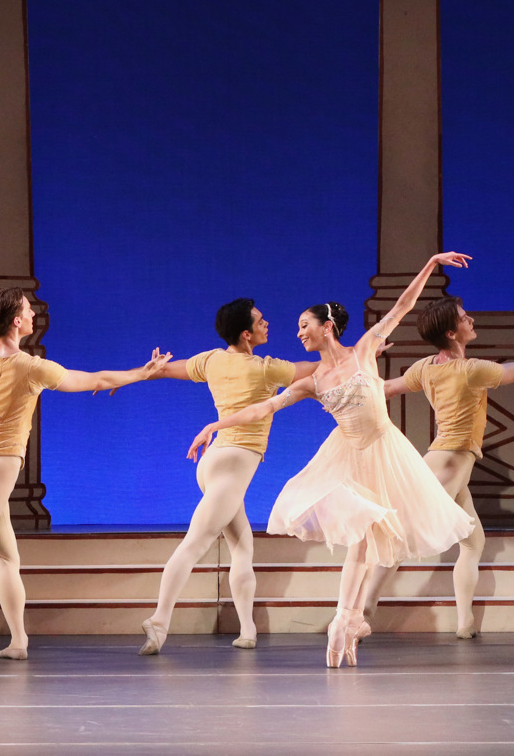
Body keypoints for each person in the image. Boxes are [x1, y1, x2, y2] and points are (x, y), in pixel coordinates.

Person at [186, 252, 474, 667]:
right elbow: (262, 409)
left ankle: (348, 622)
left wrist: (431, 263)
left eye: (305, 326)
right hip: (347, 456)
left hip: (385, 451)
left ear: (327, 327)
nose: (299, 332)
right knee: (361, 538)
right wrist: (215, 426)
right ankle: (345, 621)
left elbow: (402, 306)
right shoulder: (312, 380)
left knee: (376, 542)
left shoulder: (365, 350)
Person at [0, 287, 172, 667]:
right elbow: (96, 380)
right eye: (28, 309)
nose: (34, 313)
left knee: (8, 557)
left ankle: (19, 639)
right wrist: (142, 372)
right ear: (16, 321)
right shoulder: (32, 367)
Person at [359, 299, 514, 638]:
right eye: (462, 318)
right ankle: (363, 609)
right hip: (448, 463)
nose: (470, 319)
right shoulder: (469, 370)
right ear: (451, 332)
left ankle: (464, 624)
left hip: (448, 463)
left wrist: (368, 364)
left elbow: (382, 389)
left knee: (473, 542)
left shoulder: (426, 367)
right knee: (401, 539)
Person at [136, 298, 314, 655]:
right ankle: (159, 620)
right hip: (232, 466)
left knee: (242, 546)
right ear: (246, 334)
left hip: (215, 463)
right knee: (195, 543)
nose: (268, 325)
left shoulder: (211, 360)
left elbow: (165, 369)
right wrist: (359, 351)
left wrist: (133, 375)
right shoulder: (266, 368)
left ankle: (247, 629)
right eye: (261, 322)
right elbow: (316, 368)